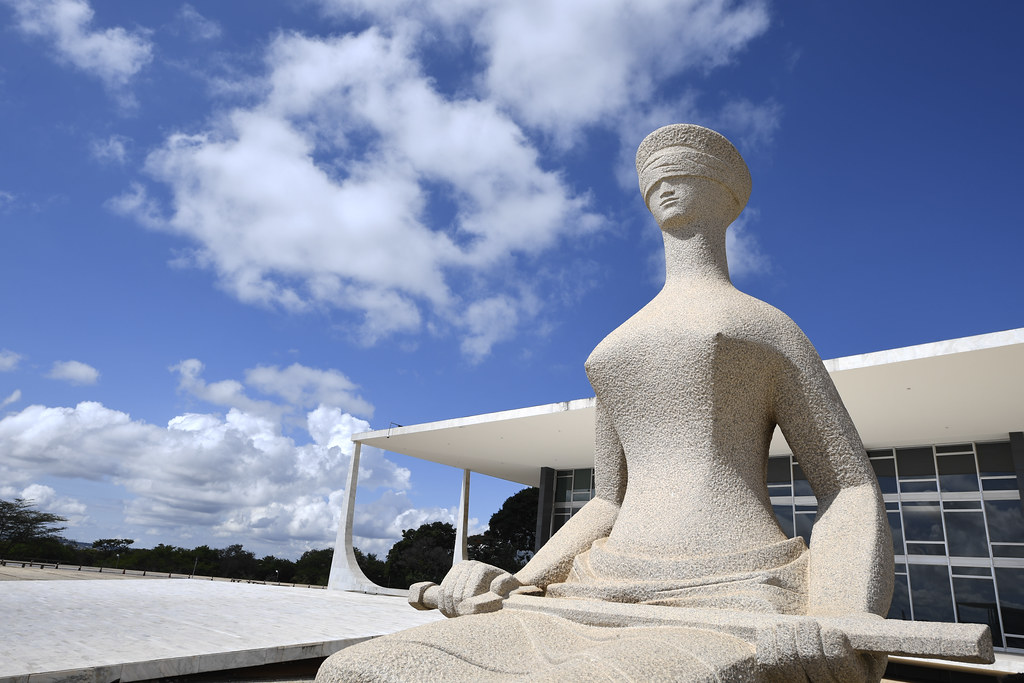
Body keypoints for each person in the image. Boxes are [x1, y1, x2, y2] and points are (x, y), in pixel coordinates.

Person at [317, 124, 894, 682]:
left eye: (685, 173)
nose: (665, 186)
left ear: (728, 194)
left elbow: (848, 486)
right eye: (655, 180)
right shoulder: (615, 347)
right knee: (357, 670)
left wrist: (839, 611)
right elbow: (607, 501)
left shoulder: (764, 327)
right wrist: (519, 578)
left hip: (735, 590)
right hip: (591, 588)